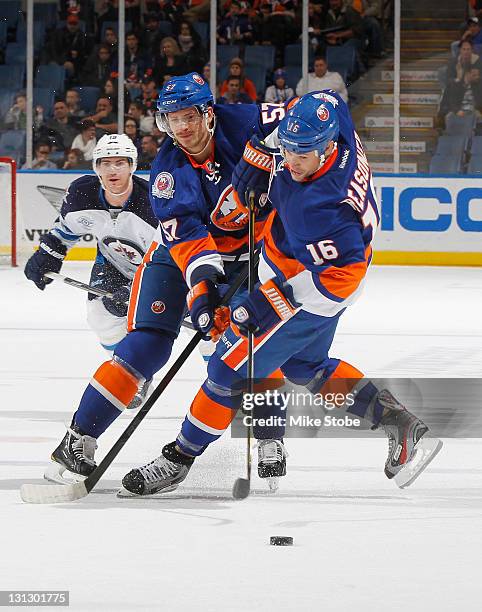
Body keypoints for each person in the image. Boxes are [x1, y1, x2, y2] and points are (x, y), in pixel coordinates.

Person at [119, 90, 443, 496]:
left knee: (226, 371)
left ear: (326, 150)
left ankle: (179, 457)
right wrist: (264, 148)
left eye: (300, 155)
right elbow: (321, 99)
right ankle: (400, 423)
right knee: (305, 366)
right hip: (304, 267)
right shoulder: (331, 120)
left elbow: (341, 274)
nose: (290, 162)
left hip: (314, 289)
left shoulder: (320, 208)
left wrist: (272, 298)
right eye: (288, 149)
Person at [42, 73, 289, 486]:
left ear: (209, 113)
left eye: (189, 117)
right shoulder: (168, 173)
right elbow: (190, 245)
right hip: (177, 259)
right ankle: (77, 439)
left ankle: (268, 436)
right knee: (146, 347)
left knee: (251, 350)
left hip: (252, 257)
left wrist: (270, 146)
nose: (181, 129)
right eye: (171, 120)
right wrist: (205, 294)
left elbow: (313, 114)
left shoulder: (247, 120)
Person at [24, 135, 160, 459]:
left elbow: (171, 257)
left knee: (210, 338)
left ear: (132, 166)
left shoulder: (152, 203)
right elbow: (66, 229)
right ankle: (134, 373)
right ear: (96, 167)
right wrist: (49, 253)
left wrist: (139, 291)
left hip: (159, 270)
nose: (113, 170)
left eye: (120, 163)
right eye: (105, 163)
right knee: (101, 318)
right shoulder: (82, 192)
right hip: (112, 263)